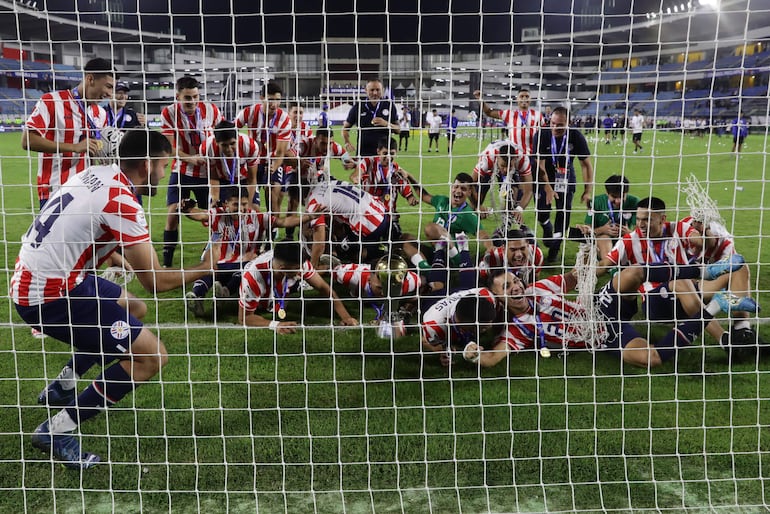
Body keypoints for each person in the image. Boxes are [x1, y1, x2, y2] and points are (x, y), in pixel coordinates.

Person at [17, 130, 218, 469]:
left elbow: (80, 224)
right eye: (164, 166)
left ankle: (63, 385)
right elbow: (154, 281)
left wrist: (111, 254)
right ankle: (57, 429)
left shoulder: (96, 174)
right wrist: (208, 267)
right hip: (49, 295)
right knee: (152, 357)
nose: (166, 173)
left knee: (133, 306)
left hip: (44, 276)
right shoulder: (123, 200)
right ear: (147, 164)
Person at [463, 262, 755, 369]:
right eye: (506, 286)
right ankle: (717, 304)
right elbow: (493, 357)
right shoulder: (517, 331)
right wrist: (474, 354)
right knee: (651, 359)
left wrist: (595, 263)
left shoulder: (541, 286)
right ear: (499, 297)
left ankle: (705, 270)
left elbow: (575, 277)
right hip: (603, 337)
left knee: (633, 273)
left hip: (601, 308)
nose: (515, 286)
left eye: (515, 280)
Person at [181, 191, 316, 317]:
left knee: (243, 270)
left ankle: (224, 293)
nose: (240, 208)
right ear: (225, 204)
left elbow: (283, 222)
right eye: (235, 204)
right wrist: (186, 208)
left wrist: (308, 217)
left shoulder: (258, 217)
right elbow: (199, 215)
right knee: (207, 271)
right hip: (219, 264)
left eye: (244, 204)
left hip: (243, 265)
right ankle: (196, 298)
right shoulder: (217, 214)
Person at [22, 57, 113, 208]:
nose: (110, 94)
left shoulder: (101, 113)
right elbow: (28, 141)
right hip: (55, 190)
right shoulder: (52, 101)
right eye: (108, 87)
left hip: (88, 190)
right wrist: (74, 147)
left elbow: (94, 152)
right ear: (90, 79)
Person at [160, 75, 223, 267]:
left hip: (208, 174)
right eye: (188, 98)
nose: (193, 102)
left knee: (214, 216)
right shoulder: (169, 113)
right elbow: (169, 148)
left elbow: (223, 134)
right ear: (178, 96)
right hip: (182, 170)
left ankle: (217, 256)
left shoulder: (211, 109)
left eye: (196, 97)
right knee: (172, 213)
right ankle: (167, 264)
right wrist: (191, 158)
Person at [238, 241, 358, 331]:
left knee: (303, 278)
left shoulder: (299, 263)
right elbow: (244, 318)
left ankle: (296, 285)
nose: (301, 269)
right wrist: (276, 325)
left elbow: (323, 287)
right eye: (297, 269)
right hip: (261, 288)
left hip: (284, 279)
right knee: (262, 306)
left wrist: (346, 317)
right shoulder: (253, 276)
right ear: (283, 269)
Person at [536, 106, 594, 263]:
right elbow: (539, 165)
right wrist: (548, 187)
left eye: (560, 125)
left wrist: (587, 190)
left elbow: (586, 165)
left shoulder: (575, 136)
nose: (555, 127)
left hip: (565, 176)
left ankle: (555, 248)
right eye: (552, 123)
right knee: (541, 210)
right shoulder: (542, 134)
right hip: (543, 177)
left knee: (563, 211)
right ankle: (546, 225)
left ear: (568, 123)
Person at [235, 81, 292, 212]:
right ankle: (254, 227)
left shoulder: (284, 119)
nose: (274, 104)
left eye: (278, 100)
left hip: (272, 161)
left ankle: (273, 228)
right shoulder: (248, 112)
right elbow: (232, 130)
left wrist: (275, 166)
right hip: (251, 161)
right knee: (253, 206)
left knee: (273, 192)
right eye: (270, 99)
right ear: (262, 98)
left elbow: (280, 152)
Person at [470, 140, 533, 232]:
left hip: (512, 169)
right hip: (491, 168)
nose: (505, 170)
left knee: (512, 195)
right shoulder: (487, 159)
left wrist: (519, 209)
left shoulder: (523, 160)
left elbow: (529, 190)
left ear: (515, 159)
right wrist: (478, 205)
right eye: (503, 166)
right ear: (498, 158)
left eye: (509, 166)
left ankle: (506, 225)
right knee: (479, 195)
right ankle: (471, 224)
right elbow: (470, 184)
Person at [201, 120, 259, 206]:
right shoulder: (207, 148)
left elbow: (252, 179)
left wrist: (248, 204)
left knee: (253, 210)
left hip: (244, 180)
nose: (229, 149)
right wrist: (215, 199)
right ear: (216, 142)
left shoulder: (250, 146)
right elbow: (213, 177)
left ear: (238, 138)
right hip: (222, 181)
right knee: (215, 212)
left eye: (232, 143)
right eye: (224, 145)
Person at [579, 175, 639, 258]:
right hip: (601, 245)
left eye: (621, 197)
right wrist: (603, 229)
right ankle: (611, 267)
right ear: (607, 193)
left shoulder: (635, 202)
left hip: (625, 242)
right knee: (604, 237)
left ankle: (613, 266)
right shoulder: (596, 202)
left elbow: (641, 233)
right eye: (614, 197)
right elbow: (586, 233)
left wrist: (628, 233)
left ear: (626, 193)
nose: (618, 201)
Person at [474, 88, 543, 159]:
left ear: (530, 99)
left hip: (532, 156)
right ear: (517, 99)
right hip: (514, 156)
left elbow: (545, 132)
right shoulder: (509, 113)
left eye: (527, 96)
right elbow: (489, 112)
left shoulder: (538, 115)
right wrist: (480, 99)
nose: (524, 98)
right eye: (521, 96)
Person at [342, 79, 399, 158]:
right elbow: (345, 128)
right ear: (366, 90)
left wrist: (386, 124)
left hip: (383, 156)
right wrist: (347, 142)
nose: (375, 93)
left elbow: (398, 130)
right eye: (372, 90)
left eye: (377, 90)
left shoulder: (389, 105)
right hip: (363, 154)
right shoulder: (358, 106)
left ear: (382, 90)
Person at [478, 229, 544, 286]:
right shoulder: (491, 260)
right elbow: (484, 286)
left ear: (527, 244)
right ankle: (497, 236)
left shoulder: (536, 254)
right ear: (504, 248)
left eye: (522, 248)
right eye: (513, 250)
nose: (519, 254)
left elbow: (535, 278)